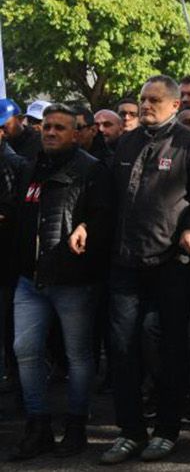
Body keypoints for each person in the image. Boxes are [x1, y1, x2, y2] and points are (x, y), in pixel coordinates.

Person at [101, 76, 190, 465]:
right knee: (122, 347)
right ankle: (130, 432)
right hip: (126, 261)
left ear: (175, 106)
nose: (146, 106)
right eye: (143, 99)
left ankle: (166, 430)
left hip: (170, 263)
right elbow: (111, 198)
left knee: (170, 348)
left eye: (154, 100)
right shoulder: (128, 141)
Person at [8, 104, 110, 461]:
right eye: (46, 127)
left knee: (78, 356)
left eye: (59, 128)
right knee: (26, 351)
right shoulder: (29, 167)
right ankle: (38, 425)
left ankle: (77, 425)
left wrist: (87, 228)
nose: (50, 132)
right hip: (29, 279)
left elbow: (105, 217)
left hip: (73, 281)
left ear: (77, 132)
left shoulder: (92, 170)